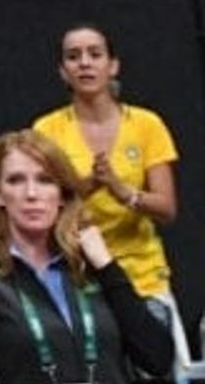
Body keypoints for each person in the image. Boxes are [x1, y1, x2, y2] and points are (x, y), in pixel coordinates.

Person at [0, 130, 175, 384]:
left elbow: (158, 359)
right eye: (16, 181)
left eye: (45, 180)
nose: (31, 194)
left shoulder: (92, 266)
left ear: (62, 195)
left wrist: (107, 267)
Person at [30, 27, 185, 357]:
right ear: (63, 72)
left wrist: (123, 190)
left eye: (94, 54)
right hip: (77, 281)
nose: (84, 63)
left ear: (113, 65)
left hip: (143, 279)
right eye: (73, 57)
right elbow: (39, 205)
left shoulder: (147, 124)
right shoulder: (46, 130)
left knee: (160, 382)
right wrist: (86, 186)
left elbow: (167, 208)